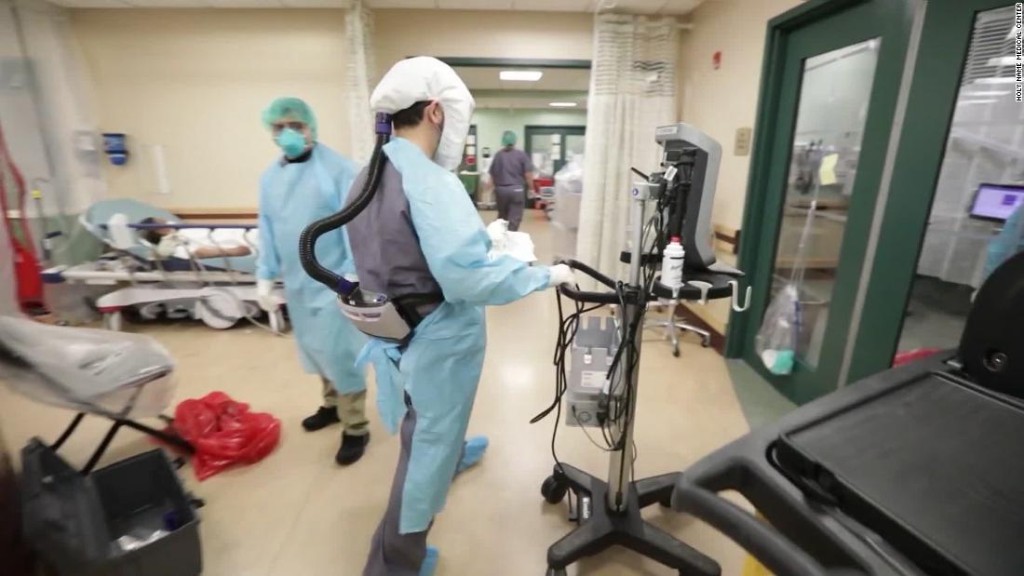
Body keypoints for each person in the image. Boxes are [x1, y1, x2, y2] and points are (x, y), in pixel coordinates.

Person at [344, 57, 576, 576]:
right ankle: (393, 565)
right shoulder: (430, 181)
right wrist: (542, 275)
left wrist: (475, 242)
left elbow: (397, 249)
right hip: (436, 339)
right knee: (424, 452)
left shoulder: (367, 175)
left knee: (429, 423)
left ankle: (452, 454)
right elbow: (468, 280)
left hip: (398, 331)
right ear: (435, 112)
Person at [255, 97, 371, 466]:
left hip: (335, 280)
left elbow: (356, 224)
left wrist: (353, 271)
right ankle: (331, 405)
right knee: (315, 349)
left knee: (340, 352)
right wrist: (264, 275)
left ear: (311, 127)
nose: (288, 133)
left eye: (296, 125)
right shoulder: (270, 179)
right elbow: (267, 228)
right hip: (298, 284)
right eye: (280, 127)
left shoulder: (339, 170)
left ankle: (356, 426)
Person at [138, 217, 254, 259]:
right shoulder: (174, 245)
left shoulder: (181, 229)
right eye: (162, 223)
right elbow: (199, 252)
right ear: (158, 231)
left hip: (243, 233)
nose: (167, 222)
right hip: (245, 241)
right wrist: (233, 251)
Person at [488, 130, 535, 231]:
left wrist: (489, 190)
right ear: (515, 141)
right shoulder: (521, 155)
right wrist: (532, 189)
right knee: (514, 217)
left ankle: (501, 236)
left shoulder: (498, 155)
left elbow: (492, 175)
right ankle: (511, 236)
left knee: (502, 217)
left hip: (500, 191)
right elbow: (528, 174)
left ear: (503, 141)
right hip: (516, 190)